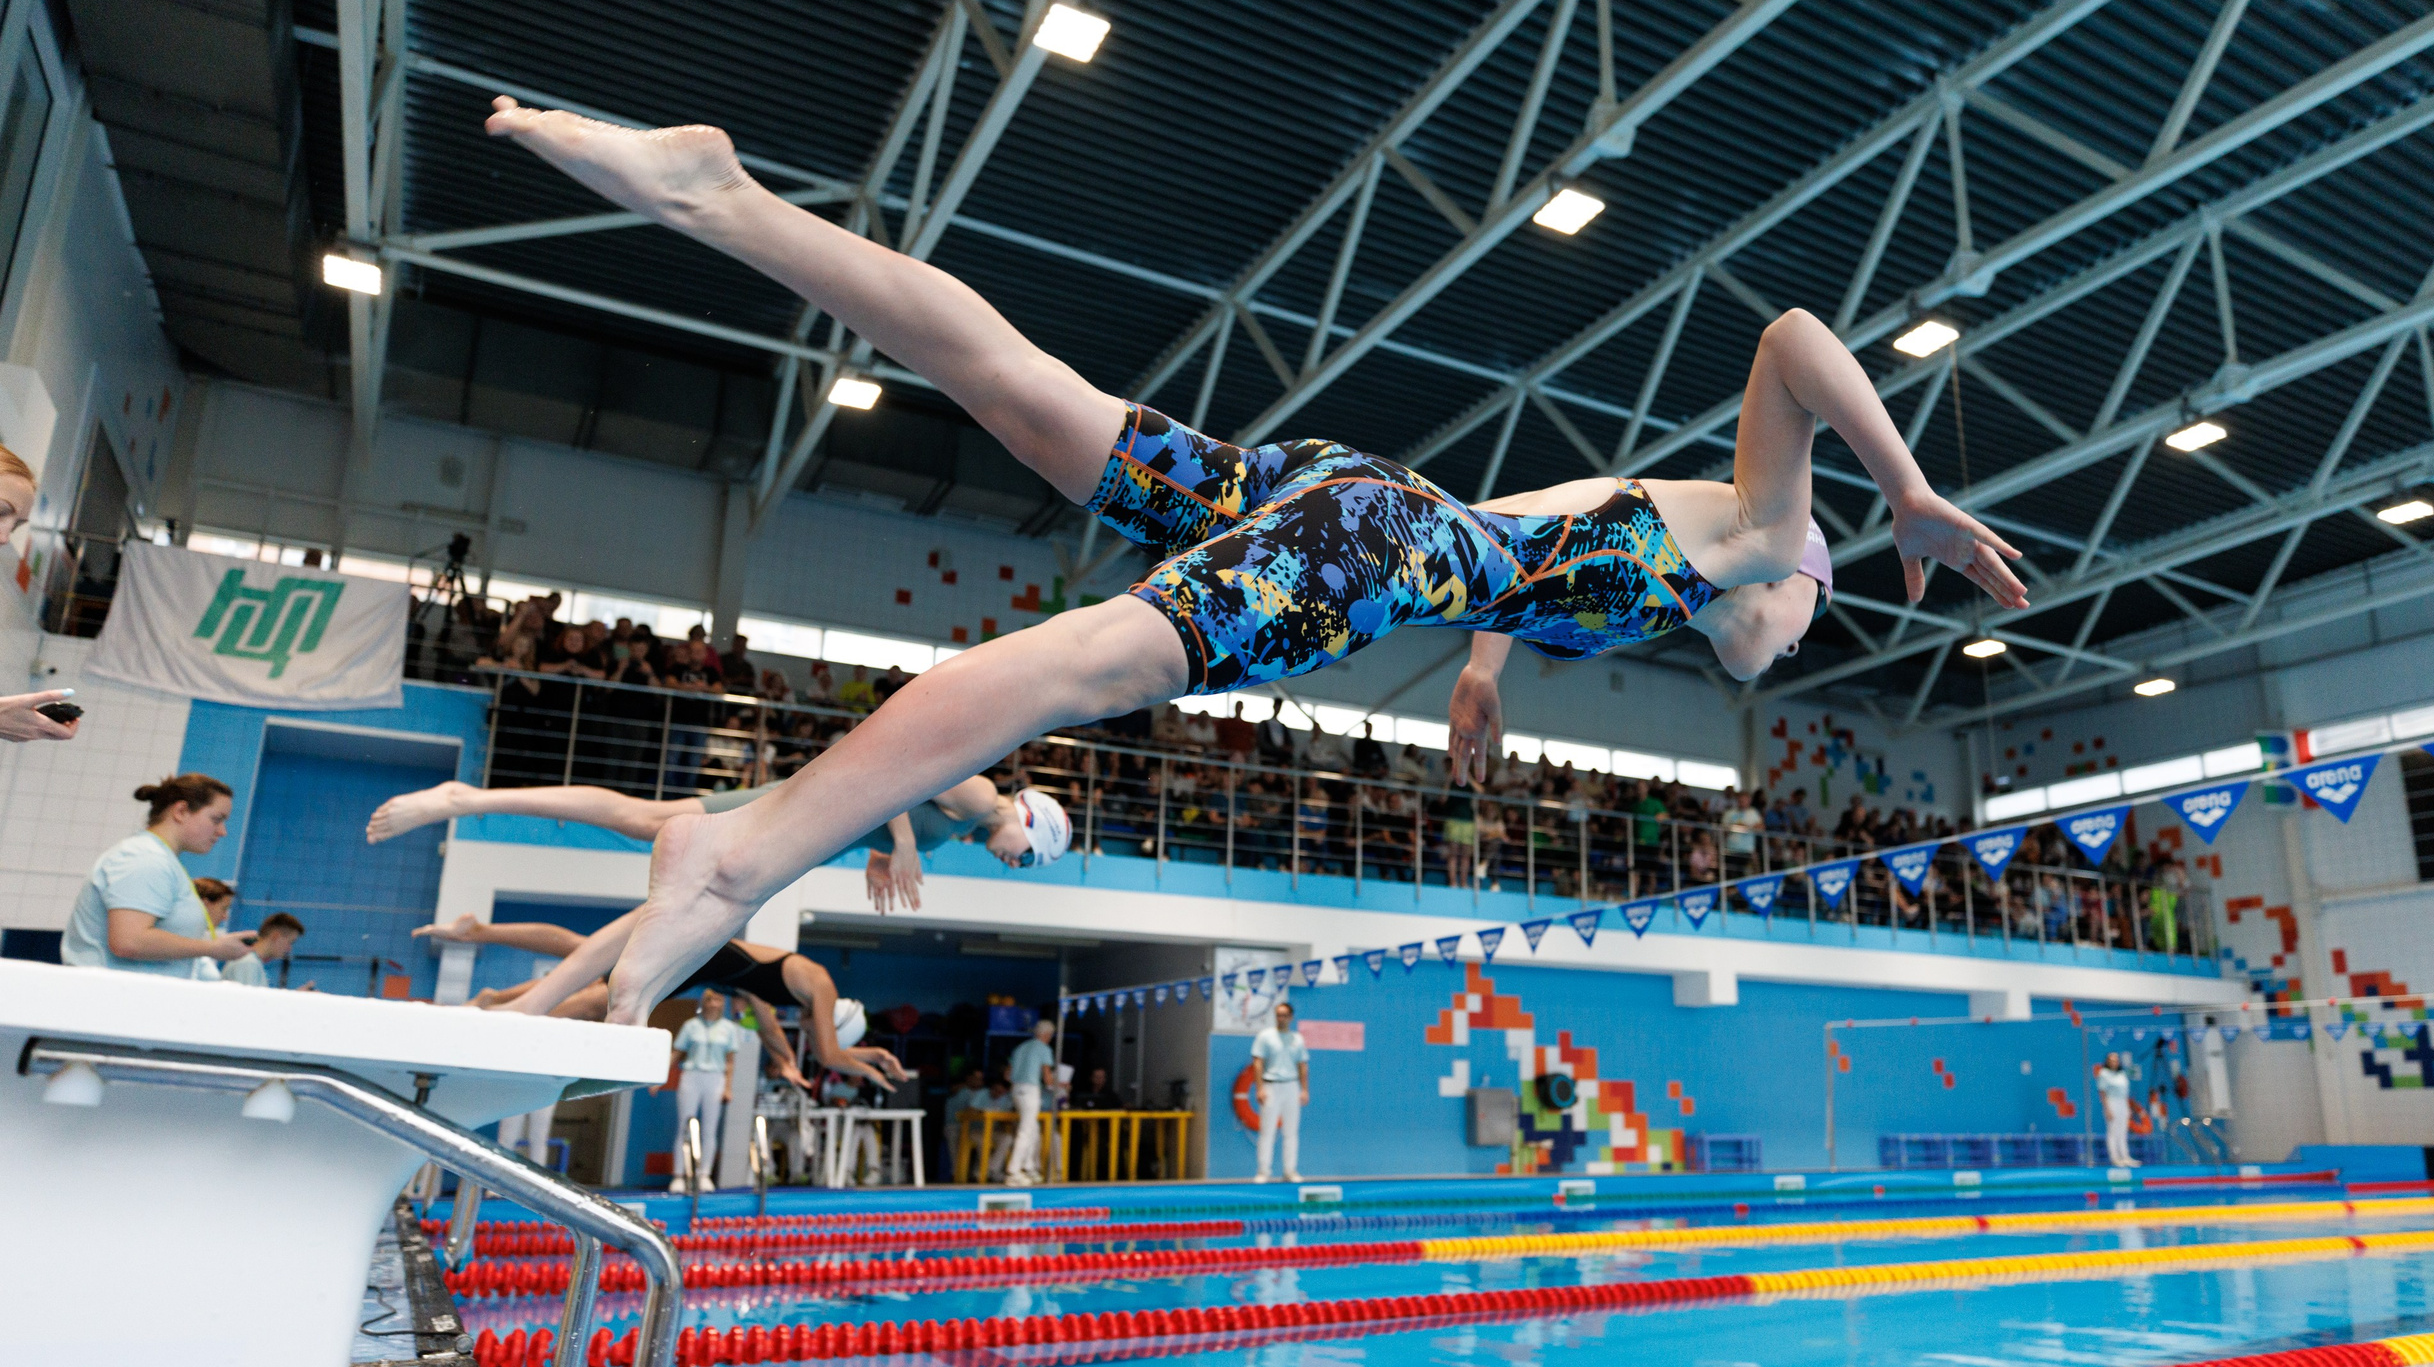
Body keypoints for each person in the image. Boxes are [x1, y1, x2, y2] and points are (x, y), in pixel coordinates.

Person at [478, 97, 2025, 1023]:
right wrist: (1909, 495)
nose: (1787, 652)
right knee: (1086, 664)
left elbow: (1535, 504)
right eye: (1805, 624)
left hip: (1365, 504)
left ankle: (720, 196)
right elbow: (1792, 336)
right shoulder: (1759, 528)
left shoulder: (1669, 535)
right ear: (1794, 572)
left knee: (1029, 401)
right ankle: (740, 852)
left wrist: (1485, 671)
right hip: (1375, 545)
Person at [366, 771, 1069, 914]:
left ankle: (474, 801)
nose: (1016, 864)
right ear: (1030, 820)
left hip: (803, 827)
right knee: (645, 821)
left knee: (648, 829)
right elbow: (895, 777)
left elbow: (888, 812)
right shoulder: (983, 798)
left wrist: (886, 858)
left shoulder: (974, 825)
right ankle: (469, 801)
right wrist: (906, 842)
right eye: (1028, 857)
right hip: (797, 807)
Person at [418, 914, 897, 1091]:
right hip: (698, 955)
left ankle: (489, 985)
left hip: (698, 961)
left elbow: (769, 1023)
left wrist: (785, 1061)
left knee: (586, 955)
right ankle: (489, 990)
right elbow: (831, 1056)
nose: (815, 1036)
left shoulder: (799, 988)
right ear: (833, 1021)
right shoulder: (822, 985)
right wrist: (868, 1064)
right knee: (591, 988)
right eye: (822, 1032)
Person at [61, 776, 258, 977]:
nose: (222, 832)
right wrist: (212, 948)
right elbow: (129, 941)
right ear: (181, 811)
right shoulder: (145, 858)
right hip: (111, 998)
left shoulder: (161, 860)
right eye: (216, 819)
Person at [667, 990, 751, 1191]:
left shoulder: (729, 1028)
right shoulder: (691, 1026)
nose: (714, 1003)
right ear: (704, 1002)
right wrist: (659, 1077)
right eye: (710, 999)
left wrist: (728, 1088)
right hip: (692, 1075)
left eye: (719, 999)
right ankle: (678, 1175)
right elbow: (677, 1052)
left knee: (709, 1129)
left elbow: (730, 1062)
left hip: (715, 1078)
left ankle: (704, 1174)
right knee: (684, 1125)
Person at [1250, 1001, 1310, 1184]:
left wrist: (1304, 1089)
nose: (1281, 1018)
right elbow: (1258, 1063)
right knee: (1267, 1131)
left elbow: (1302, 1065)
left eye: (1284, 1015)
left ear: (1290, 1017)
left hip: (1291, 1086)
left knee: (1291, 1131)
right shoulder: (1265, 1036)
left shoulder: (1297, 1039)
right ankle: (1263, 1171)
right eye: (1278, 1014)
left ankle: (1290, 1170)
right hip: (1271, 1086)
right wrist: (1259, 1088)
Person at [1003, 1019, 1064, 1187]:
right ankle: (1013, 1171)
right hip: (1030, 1090)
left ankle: (1029, 1167)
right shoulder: (1043, 1049)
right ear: (1047, 1035)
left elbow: (1007, 1075)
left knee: (1034, 1129)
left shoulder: (1021, 1047)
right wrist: (1061, 1085)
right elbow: (1047, 1078)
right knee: (1026, 1130)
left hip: (1016, 1089)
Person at [220, 912, 307, 986]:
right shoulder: (248, 962)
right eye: (290, 942)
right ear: (276, 936)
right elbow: (248, 1004)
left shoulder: (253, 962)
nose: (289, 949)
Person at [2093, 1050, 2134, 1169]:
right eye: (2111, 1060)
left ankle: (2125, 1156)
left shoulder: (2122, 1074)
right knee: (2113, 1131)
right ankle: (2115, 1158)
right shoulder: (2103, 1073)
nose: (2114, 1062)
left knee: (2123, 1130)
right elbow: (2102, 1092)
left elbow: (2125, 1093)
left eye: (2116, 1060)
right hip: (2112, 1102)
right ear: (2107, 1062)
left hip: (2123, 1103)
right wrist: (2107, 1109)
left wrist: (2128, 1107)